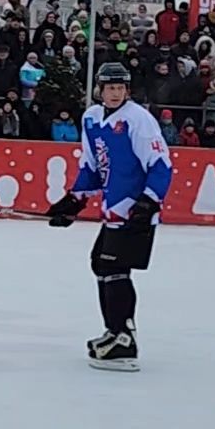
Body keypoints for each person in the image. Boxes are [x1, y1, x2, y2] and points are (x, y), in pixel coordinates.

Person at [44, 62, 173, 371]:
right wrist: (74, 201)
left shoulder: (138, 120)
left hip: (134, 210)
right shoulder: (91, 118)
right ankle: (114, 331)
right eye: (109, 88)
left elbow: (161, 164)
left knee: (114, 268)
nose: (115, 93)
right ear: (99, 90)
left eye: (120, 88)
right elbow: (92, 165)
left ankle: (124, 338)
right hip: (113, 209)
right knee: (101, 264)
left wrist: (149, 202)